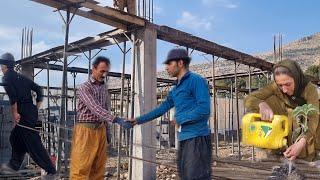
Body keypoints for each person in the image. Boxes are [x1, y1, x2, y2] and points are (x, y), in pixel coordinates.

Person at [128, 48, 212, 180]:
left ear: (180, 63)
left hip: (198, 139)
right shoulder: (176, 89)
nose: (166, 68)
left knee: (195, 177)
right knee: (185, 175)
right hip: (184, 139)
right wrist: (138, 120)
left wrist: (180, 118)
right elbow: (161, 109)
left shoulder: (196, 80)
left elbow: (204, 109)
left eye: (169, 63)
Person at [69, 56, 132, 179]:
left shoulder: (103, 87)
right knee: (81, 167)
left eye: (106, 71)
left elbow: (105, 109)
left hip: (100, 129)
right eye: (102, 71)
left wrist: (108, 133)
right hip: (86, 131)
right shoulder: (85, 87)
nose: (104, 74)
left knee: (98, 167)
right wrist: (117, 119)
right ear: (94, 69)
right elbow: (95, 108)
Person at [245, 59, 319, 162]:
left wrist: (302, 141)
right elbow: (249, 99)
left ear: (296, 79)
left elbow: (313, 117)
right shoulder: (275, 87)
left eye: (288, 84)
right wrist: (261, 104)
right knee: (267, 100)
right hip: (284, 134)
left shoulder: (309, 89)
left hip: (308, 136)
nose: (284, 89)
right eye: (280, 85)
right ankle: (276, 149)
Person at [0, 53, 58, 179]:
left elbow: (13, 98)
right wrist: (36, 107)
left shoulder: (6, 78)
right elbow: (39, 89)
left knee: (34, 144)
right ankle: (14, 165)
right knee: (15, 138)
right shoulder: (21, 77)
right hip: (31, 112)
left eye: (1, 65)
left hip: (23, 114)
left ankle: (51, 171)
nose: (0, 67)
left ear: (4, 65)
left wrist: (15, 113)